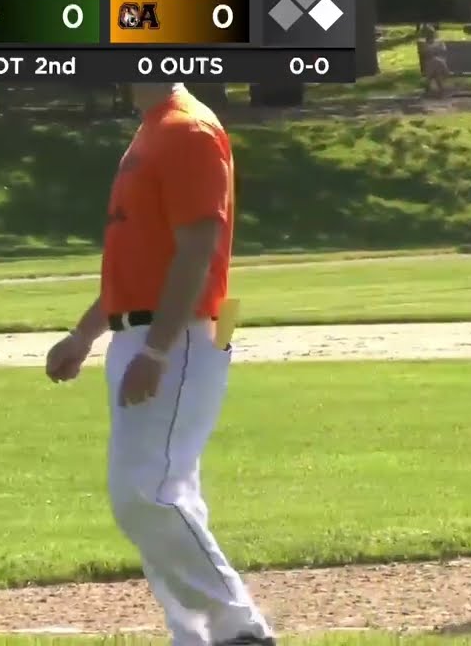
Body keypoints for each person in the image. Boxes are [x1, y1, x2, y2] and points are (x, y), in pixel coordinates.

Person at [44, 83, 275, 646]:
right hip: (144, 329)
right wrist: (85, 333)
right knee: (167, 491)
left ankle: (239, 628)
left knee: (143, 492)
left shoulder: (187, 129)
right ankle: (195, 634)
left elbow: (198, 246)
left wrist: (157, 349)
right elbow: (140, 260)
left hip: (178, 333)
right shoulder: (151, 130)